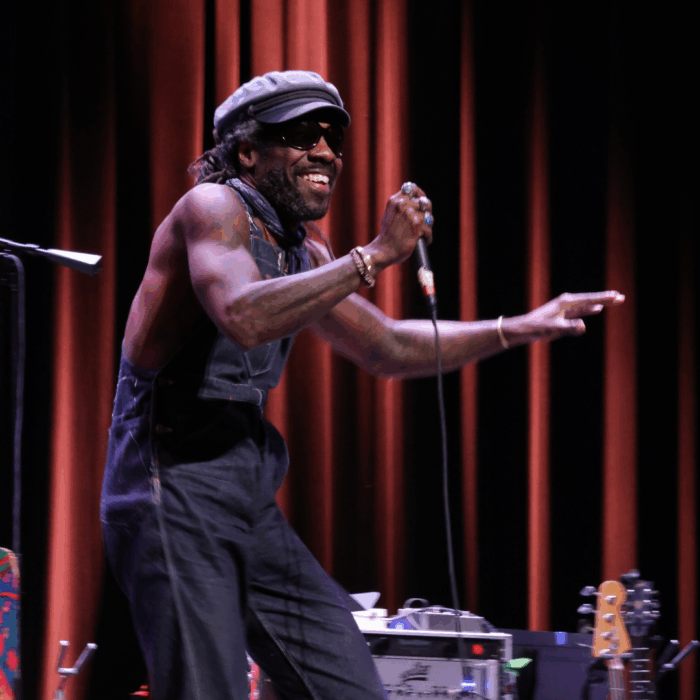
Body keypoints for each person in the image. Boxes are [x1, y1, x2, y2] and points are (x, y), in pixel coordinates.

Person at [100, 70, 624, 700]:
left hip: (245, 486)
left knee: (349, 683)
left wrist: (519, 326)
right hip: (170, 481)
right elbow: (242, 314)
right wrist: (373, 255)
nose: (325, 152)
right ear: (247, 152)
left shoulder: (306, 249)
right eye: (302, 135)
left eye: (333, 138)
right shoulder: (211, 208)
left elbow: (387, 346)